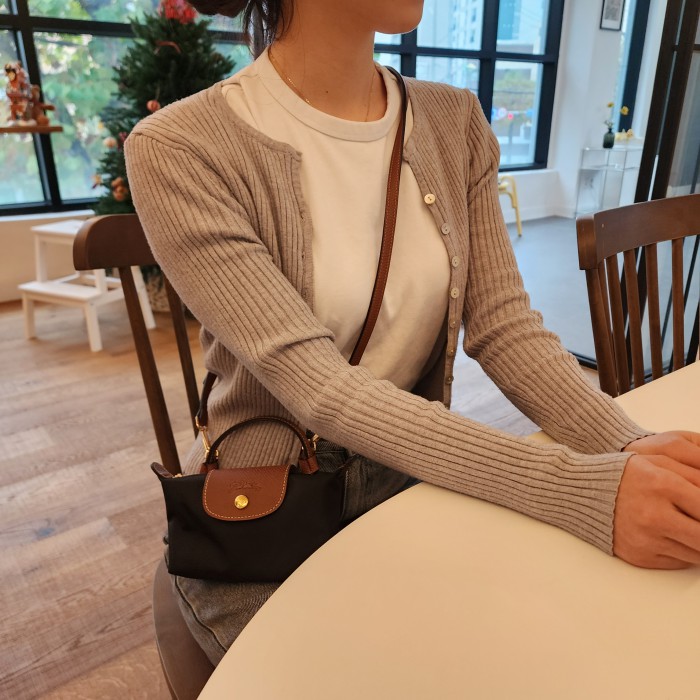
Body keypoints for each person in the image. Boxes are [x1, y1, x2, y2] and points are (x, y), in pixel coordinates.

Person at [125, 0, 700, 665]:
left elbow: (506, 327)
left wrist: (629, 446)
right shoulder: (180, 147)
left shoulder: (454, 121)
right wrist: (581, 489)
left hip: (416, 469)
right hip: (272, 505)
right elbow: (323, 389)